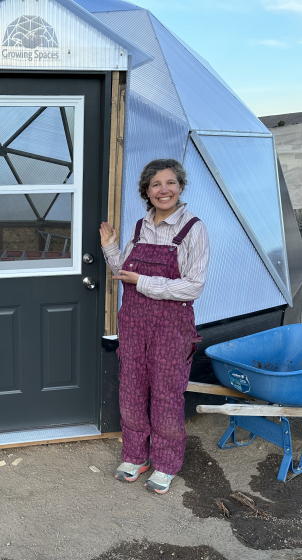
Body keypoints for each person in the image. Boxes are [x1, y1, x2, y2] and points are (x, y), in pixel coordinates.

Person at [99, 158, 210, 494]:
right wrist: (110, 249)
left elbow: (194, 285)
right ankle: (135, 455)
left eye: (171, 183)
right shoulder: (139, 227)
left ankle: (165, 463)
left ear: (181, 186)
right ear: (146, 191)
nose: (164, 190)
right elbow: (125, 272)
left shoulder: (193, 229)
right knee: (131, 388)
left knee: (165, 393)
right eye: (156, 184)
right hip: (134, 321)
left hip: (171, 324)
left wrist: (145, 282)